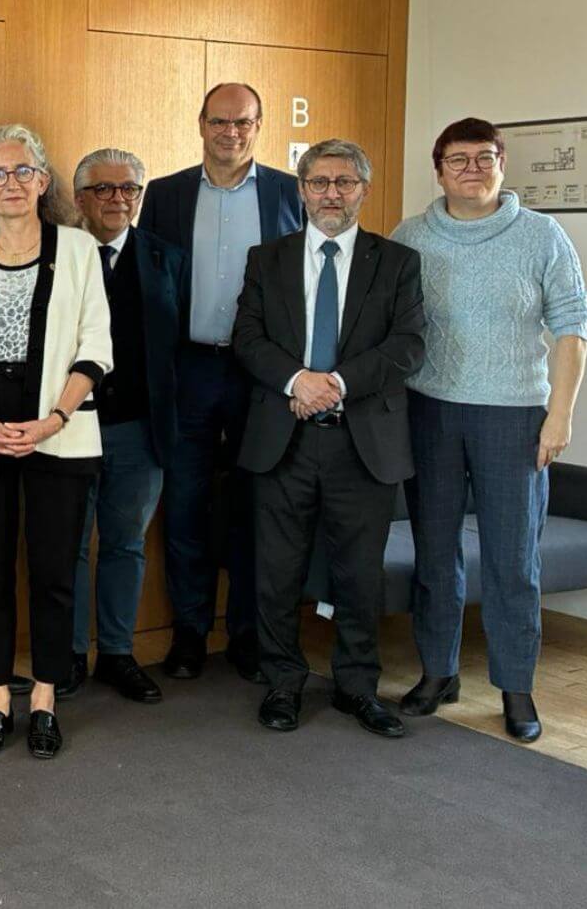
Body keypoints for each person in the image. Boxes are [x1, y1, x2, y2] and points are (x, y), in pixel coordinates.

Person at [392, 118, 587, 743]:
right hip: (430, 410)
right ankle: (438, 672)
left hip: (515, 416)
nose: (472, 169)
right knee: (435, 551)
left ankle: (516, 689)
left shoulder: (541, 235)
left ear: (503, 164)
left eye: (485, 157)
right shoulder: (411, 236)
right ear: (439, 169)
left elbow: (573, 326)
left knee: (513, 560)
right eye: (459, 159)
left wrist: (559, 415)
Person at [231, 139, 423, 738]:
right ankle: (283, 682)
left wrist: (333, 383)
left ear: (364, 189)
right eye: (319, 182)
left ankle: (357, 688)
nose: (331, 193)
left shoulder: (396, 262)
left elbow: (408, 347)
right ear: (302, 190)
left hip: (361, 443)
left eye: (344, 182)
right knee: (277, 572)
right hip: (283, 439)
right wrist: (296, 379)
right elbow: (248, 338)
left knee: (358, 574)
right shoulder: (268, 258)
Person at [0, 125, 111, 759]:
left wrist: (51, 423)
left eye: (23, 171)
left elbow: (96, 345)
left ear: (43, 181)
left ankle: (43, 697)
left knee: (53, 573)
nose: (10, 183)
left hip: (59, 433)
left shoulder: (79, 248)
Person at [138, 82, 303, 683]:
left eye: (243, 122)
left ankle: (249, 634)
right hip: (189, 371)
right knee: (184, 505)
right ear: (200, 123)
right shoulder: (164, 195)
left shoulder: (290, 193)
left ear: (258, 127)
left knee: (258, 506)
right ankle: (188, 632)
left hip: (265, 375)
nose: (231, 133)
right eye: (220, 122)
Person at [64, 148, 185, 703]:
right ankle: (64, 655)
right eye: (104, 189)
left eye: (129, 189)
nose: (118, 199)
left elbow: (178, 349)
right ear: (80, 197)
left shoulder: (167, 259)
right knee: (67, 545)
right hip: (65, 427)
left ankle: (116, 652)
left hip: (139, 431)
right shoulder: (55, 255)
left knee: (125, 545)